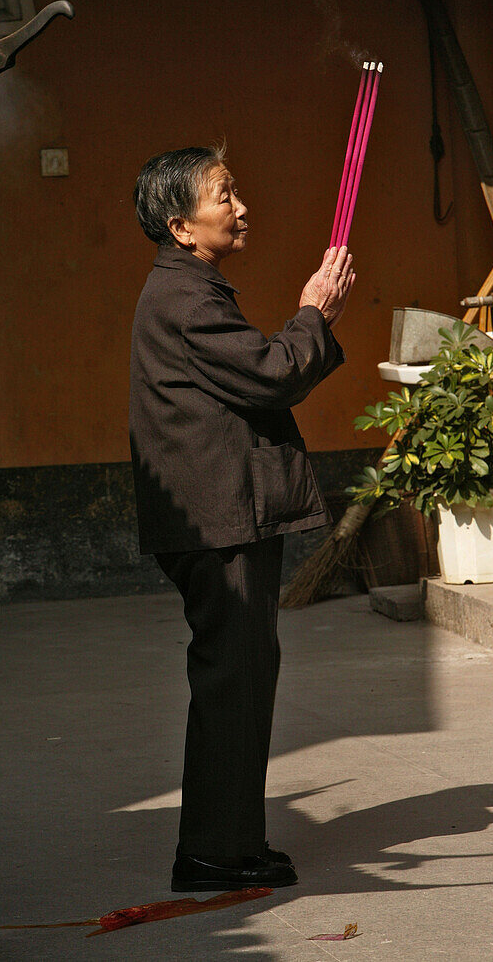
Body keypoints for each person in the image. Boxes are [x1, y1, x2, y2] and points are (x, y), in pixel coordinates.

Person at [129, 146, 355, 891]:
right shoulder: (187, 298)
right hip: (216, 517)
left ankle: (229, 841)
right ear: (180, 225)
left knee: (243, 676)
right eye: (223, 196)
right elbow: (269, 375)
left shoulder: (189, 286)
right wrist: (314, 312)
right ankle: (212, 854)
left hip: (218, 512)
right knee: (234, 679)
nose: (241, 207)